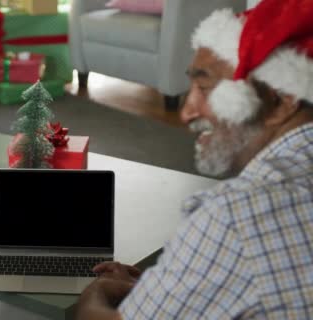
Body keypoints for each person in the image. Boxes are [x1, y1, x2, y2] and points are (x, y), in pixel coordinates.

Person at [77, 0, 313, 318]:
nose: (187, 112)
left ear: (282, 101)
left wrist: (94, 295)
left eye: (205, 87)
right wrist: (169, 285)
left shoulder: (237, 214)